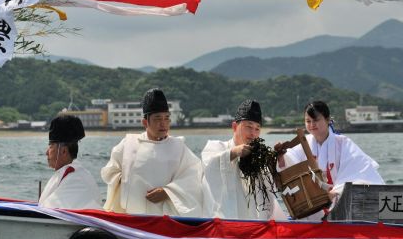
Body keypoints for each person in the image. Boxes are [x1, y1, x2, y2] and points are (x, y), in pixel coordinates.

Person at [101, 88, 203, 217]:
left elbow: (193, 177)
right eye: (157, 119)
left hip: (166, 217)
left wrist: (168, 192)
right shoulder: (128, 144)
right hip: (133, 216)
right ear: (145, 122)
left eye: (166, 118)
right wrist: (128, 179)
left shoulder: (178, 146)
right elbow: (109, 172)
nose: (163, 124)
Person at [276, 101, 385, 209]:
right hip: (314, 201)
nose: (312, 125)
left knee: (360, 183)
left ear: (328, 120)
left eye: (316, 120)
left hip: (339, 199)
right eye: (308, 121)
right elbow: (290, 159)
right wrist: (281, 156)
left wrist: (335, 192)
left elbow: (360, 170)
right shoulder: (304, 144)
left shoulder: (343, 143)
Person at [201, 99, 287, 220]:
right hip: (222, 225)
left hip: (254, 227)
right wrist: (234, 152)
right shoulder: (217, 147)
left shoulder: (258, 159)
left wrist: (277, 160)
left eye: (257, 129)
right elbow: (208, 165)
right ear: (235, 126)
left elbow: (276, 186)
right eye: (249, 127)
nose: (253, 133)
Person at [39, 115, 102, 209]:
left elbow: (49, 210)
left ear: (64, 151)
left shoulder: (75, 179)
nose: (46, 152)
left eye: (51, 146)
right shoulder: (73, 173)